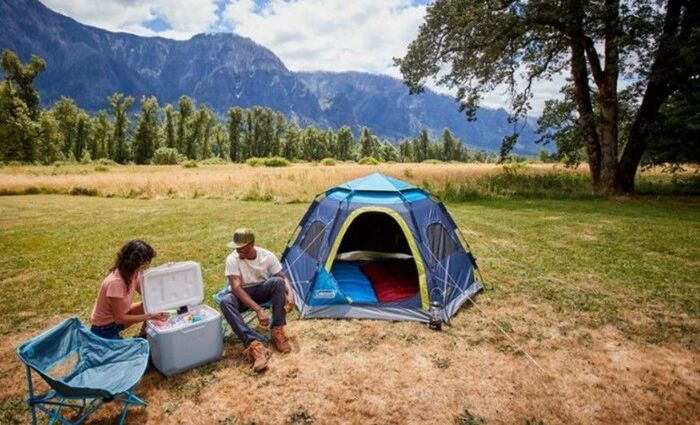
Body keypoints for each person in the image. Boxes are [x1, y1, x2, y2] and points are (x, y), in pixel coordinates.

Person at [219, 228, 295, 372]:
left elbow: (282, 276)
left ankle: (277, 331)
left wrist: (290, 294)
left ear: (252, 243)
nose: (238, 250)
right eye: (236, 247)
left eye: (242, 247)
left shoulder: (266, 256)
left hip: (260, 289)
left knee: (278, 282)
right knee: (225, 301)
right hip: (240, 294)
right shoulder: (232, 259)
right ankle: (255, 346)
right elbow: (235, 287)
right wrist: (258, 310)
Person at [90, 240, 170, 339]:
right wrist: (150, 316)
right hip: (104, 328)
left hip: (116, 320)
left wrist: (167, 270)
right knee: (128, 352)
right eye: (145, 262)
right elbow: (119, 318)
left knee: (148, 304)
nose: (146, 265)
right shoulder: (116, 283)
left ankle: (144, 335)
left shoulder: (132, 273)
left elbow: (148, 294)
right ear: (136, 262)